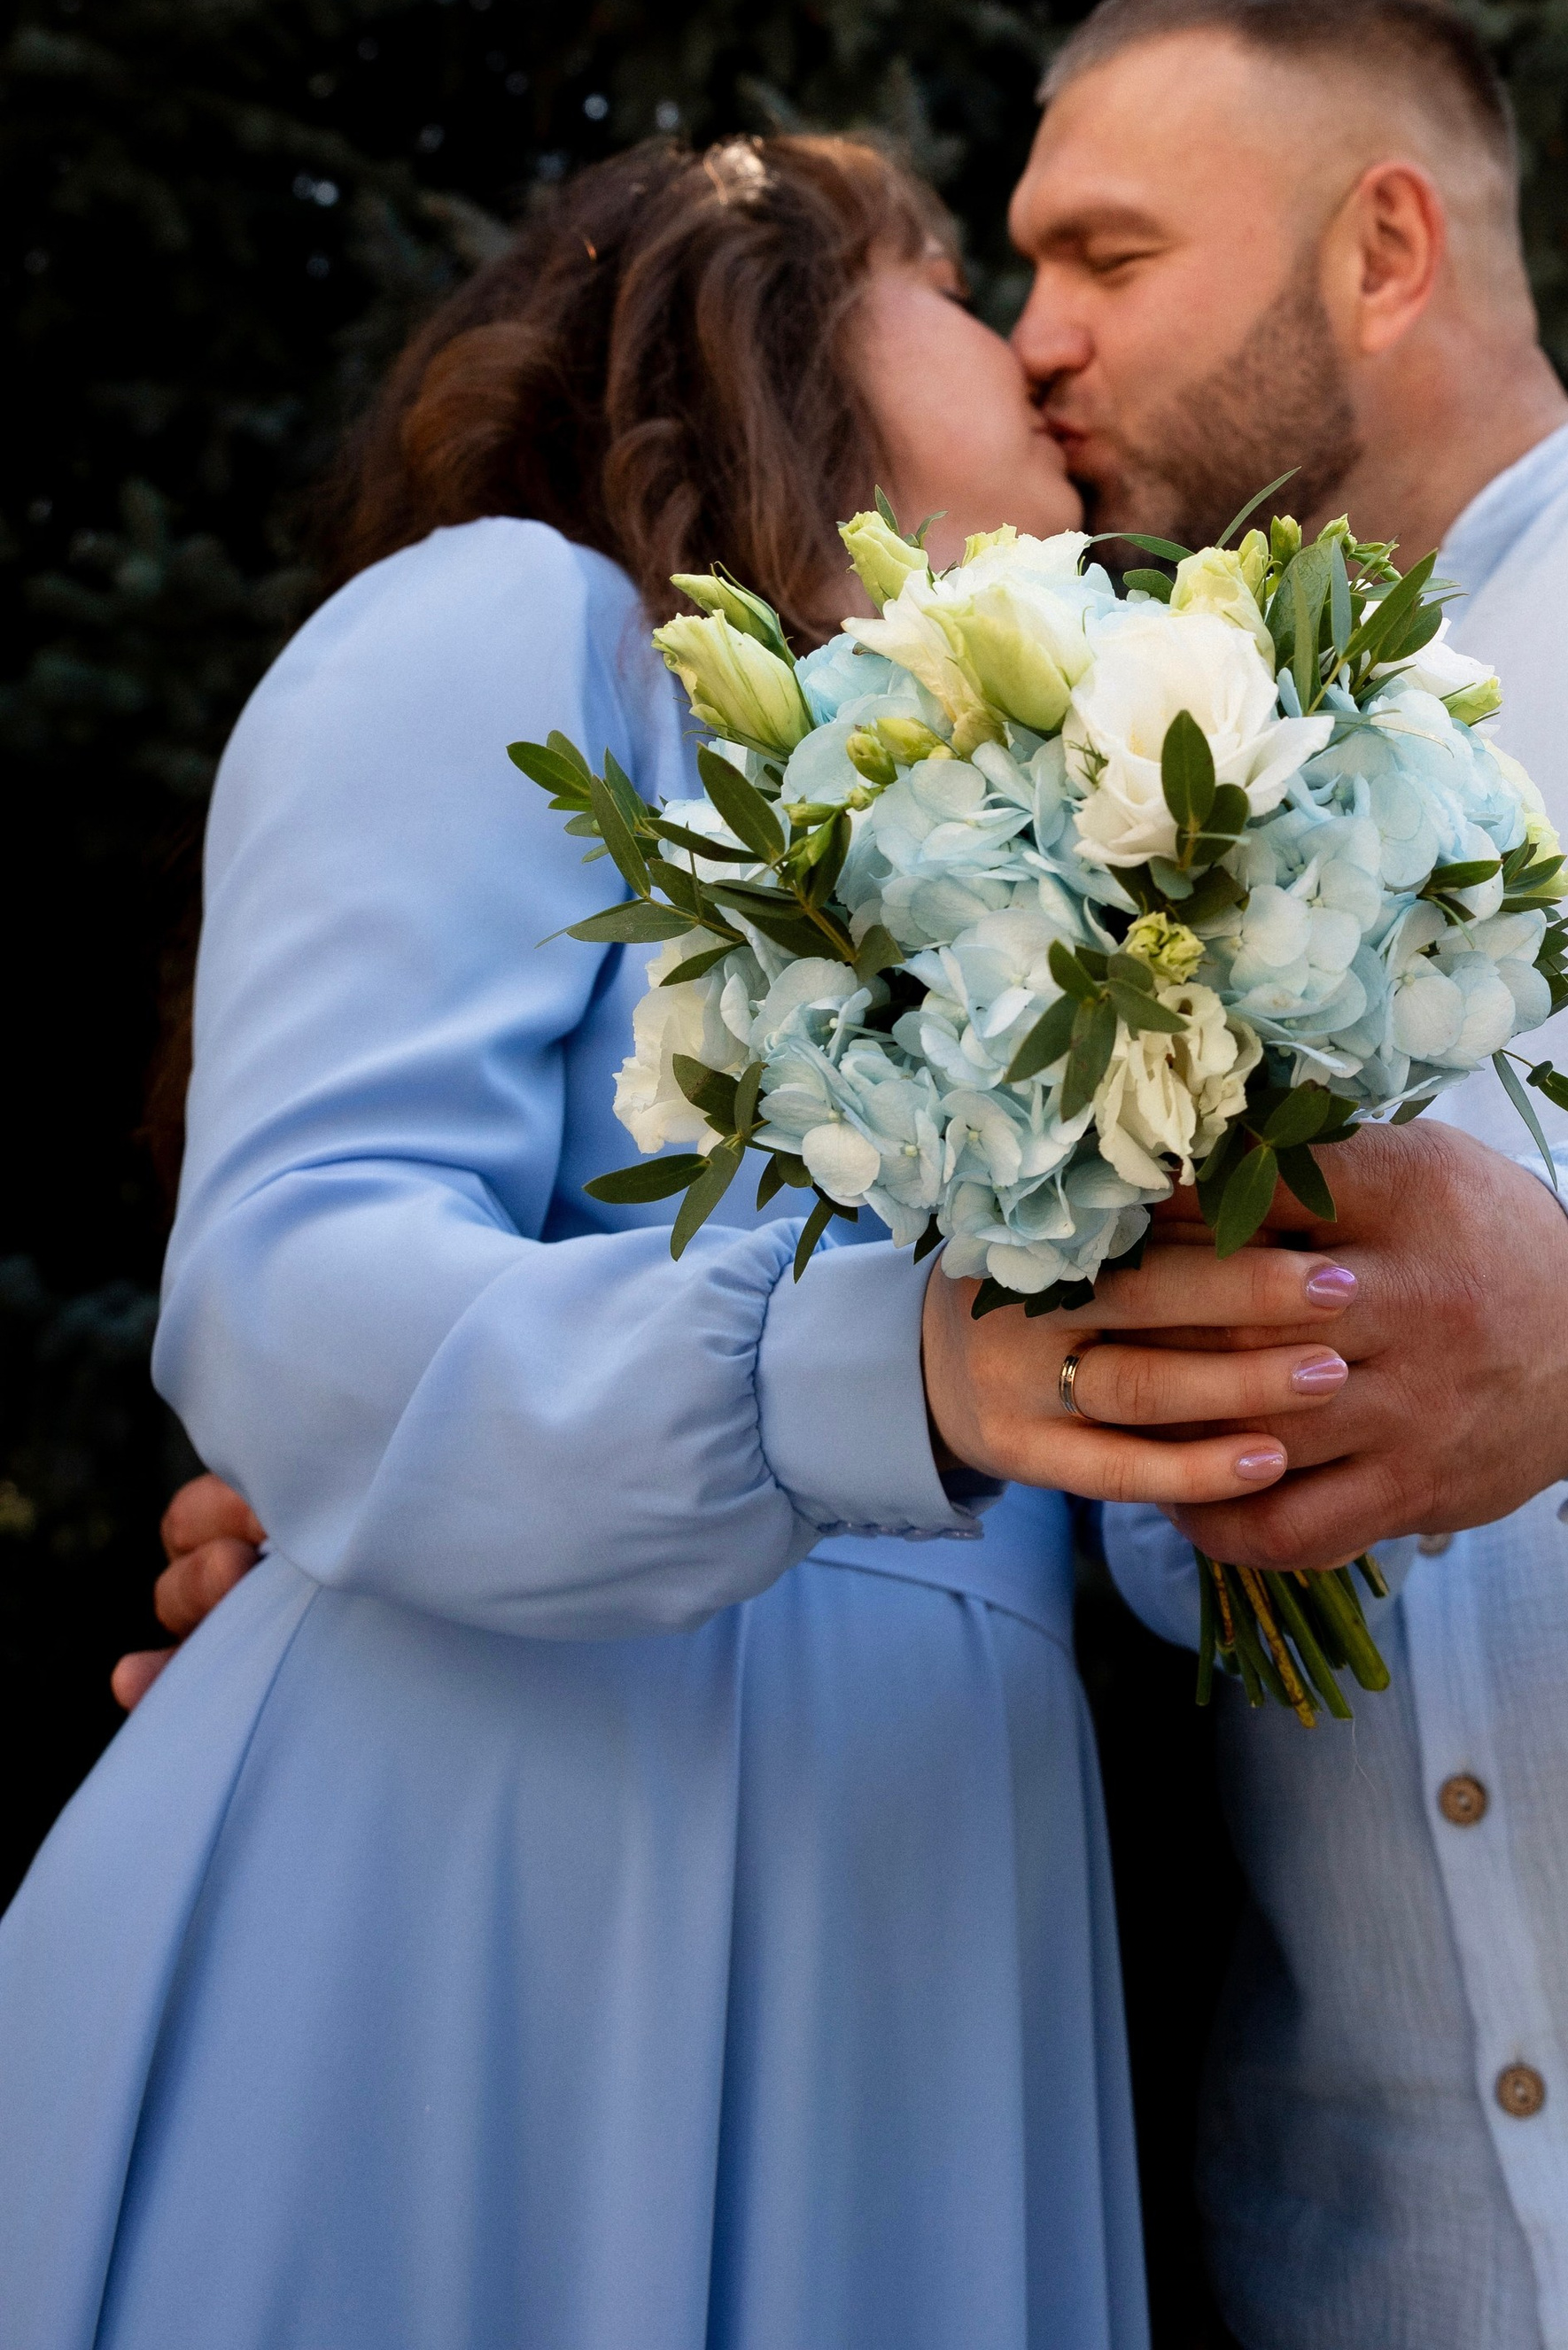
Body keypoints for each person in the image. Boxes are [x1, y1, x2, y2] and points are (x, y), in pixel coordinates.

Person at [136, 0, 1568, 2350]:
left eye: (1107, 261)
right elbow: (937, 1394)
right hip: (1361, 2269)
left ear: (1384, 247)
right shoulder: (1004, 799)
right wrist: (373, 1520)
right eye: (998, 274)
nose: (1040, 336)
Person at [0, 131, 1359, 2350]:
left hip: (931, 1888)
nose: (1027, 341)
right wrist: (871, 1378)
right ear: (774, 317)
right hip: (503, 1859)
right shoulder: (526, 626)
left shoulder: (1080, 840)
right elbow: (298, 1270)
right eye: (942, 267)